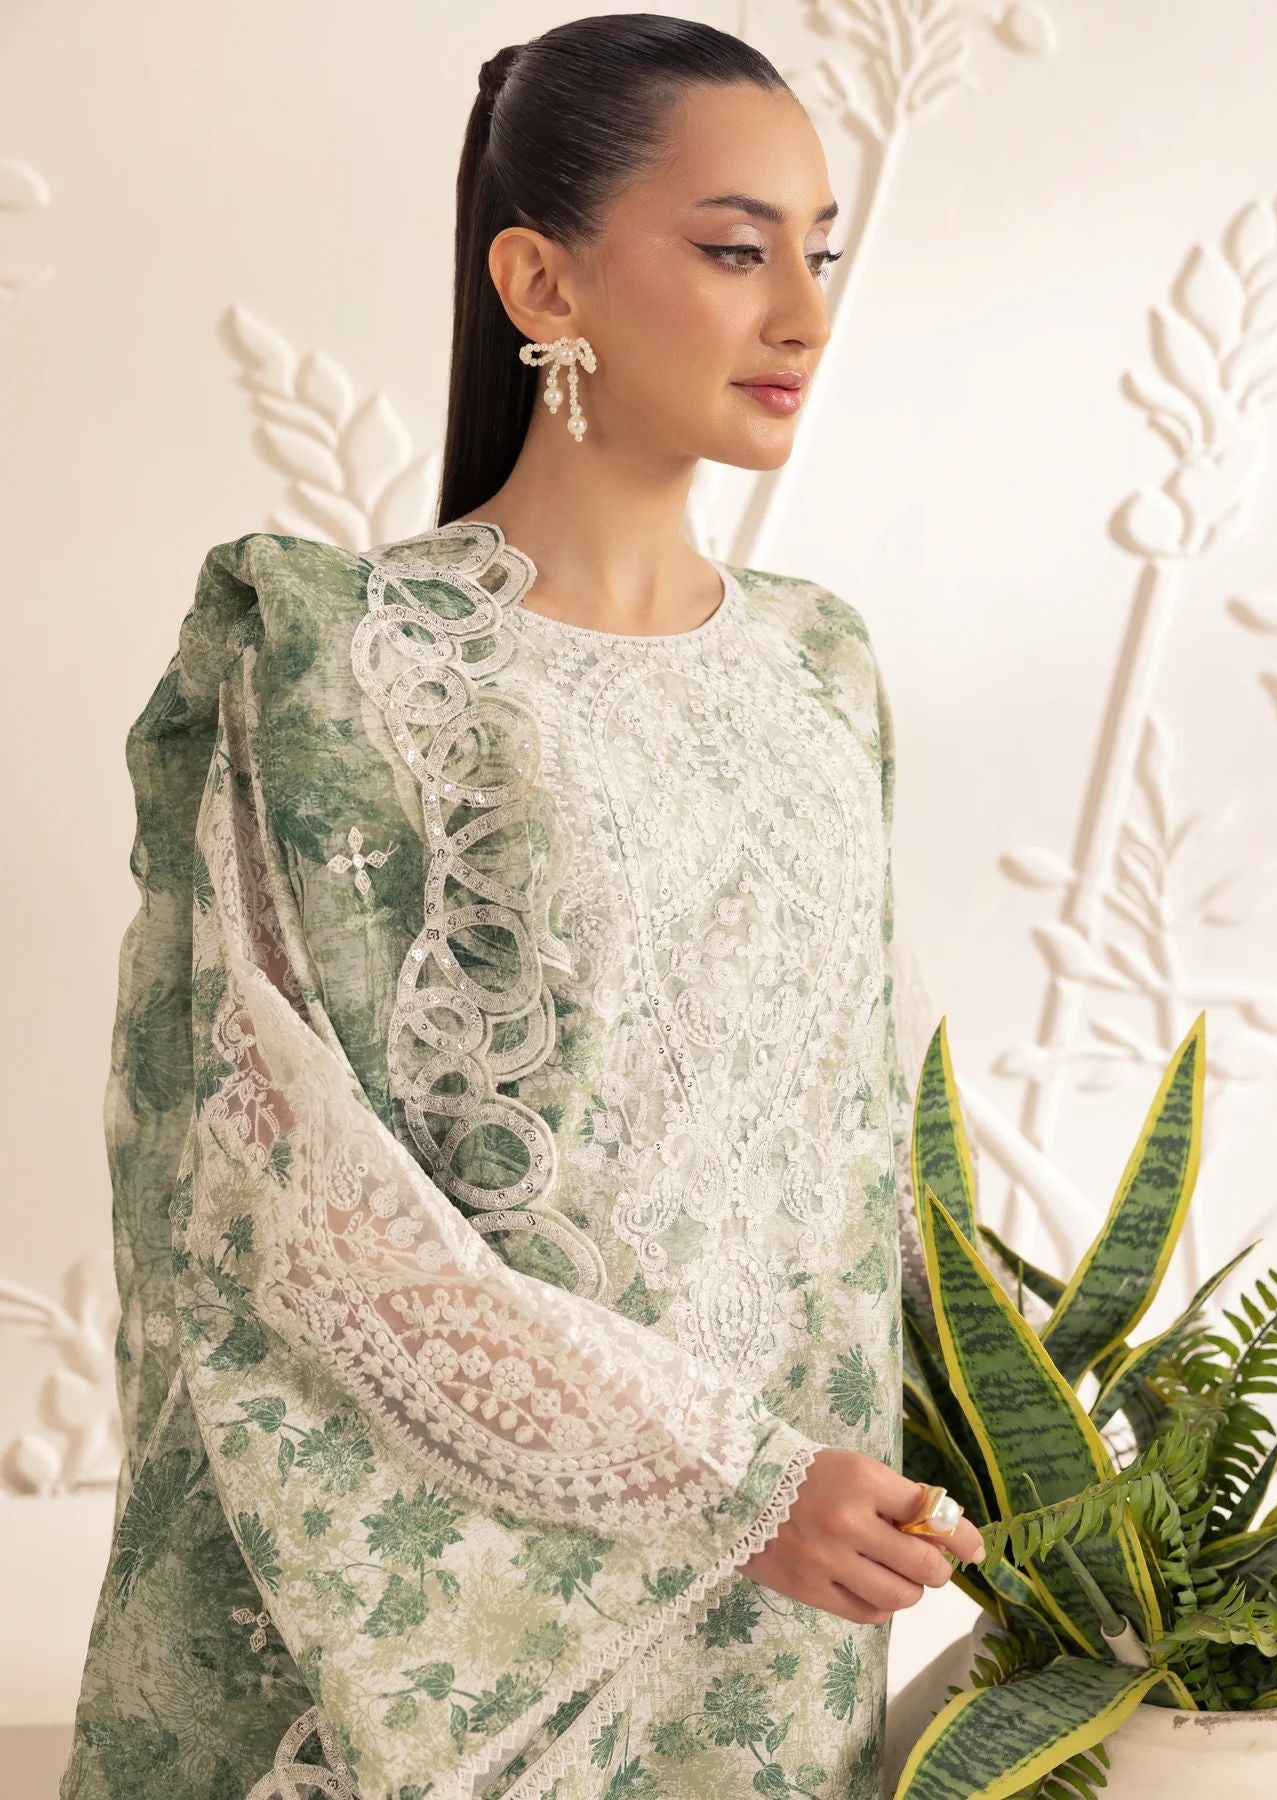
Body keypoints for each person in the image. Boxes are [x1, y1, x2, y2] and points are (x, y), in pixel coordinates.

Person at [59, 15, 984, 1799]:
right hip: (470, 1629)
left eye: (818, 251)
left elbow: (886, 1128)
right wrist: (727, 1487)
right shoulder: (342, 657)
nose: (803, 312)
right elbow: (297, 1196)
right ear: (540, 280)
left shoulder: (819, 665)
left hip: (784, 1633)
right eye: (735, 250)